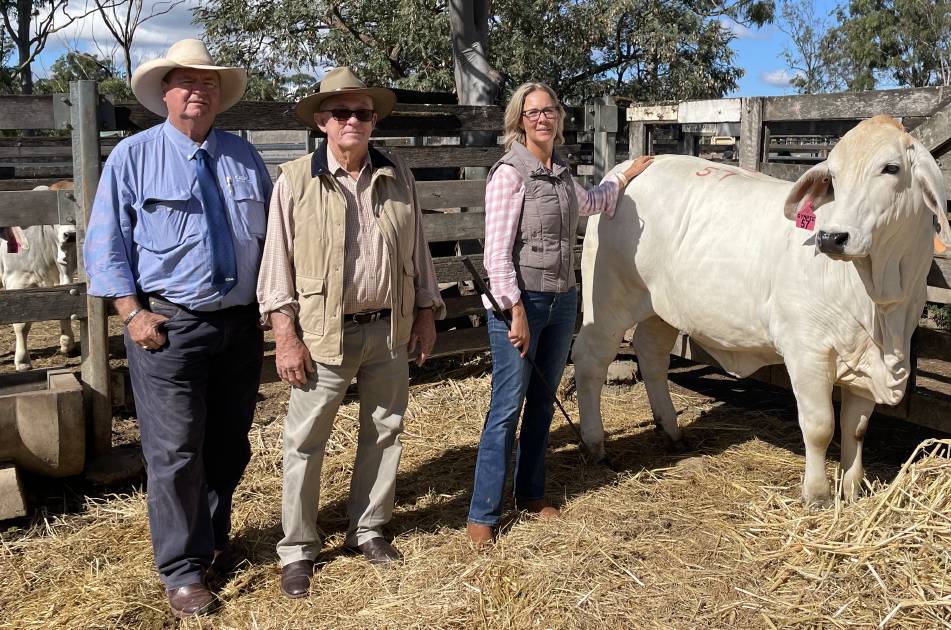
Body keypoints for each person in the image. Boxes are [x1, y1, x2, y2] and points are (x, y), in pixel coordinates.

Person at [82, 39, 271, 618]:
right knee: (174, 452)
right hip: (170, 325)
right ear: (164, 92)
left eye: (209, 82)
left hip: (239, 325)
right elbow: (106, 244)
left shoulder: (244, 156)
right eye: (186, 81)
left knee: (228, 445)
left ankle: (213, 543)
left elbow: (276, 238)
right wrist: (132, 314)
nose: (199, 91)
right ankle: (181, 570)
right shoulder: (133, 157)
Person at [257, 67, 445, 598]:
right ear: (322, 122)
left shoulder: (396, 174)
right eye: (341, 112)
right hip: (321, 334)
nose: (353, 121)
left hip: (389, 328)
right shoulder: (295, 180)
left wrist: (427, 311)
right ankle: (298, 549)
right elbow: (277, 266)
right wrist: (284, 335)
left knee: (385, 430)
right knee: (305, 441)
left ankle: (368, 529)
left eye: (363, 113)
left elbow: (418, 252)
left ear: (374, 122)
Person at [466, 82, 652, 545]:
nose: (543, 119)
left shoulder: (562, 174)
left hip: (563, 298)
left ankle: (530, 492)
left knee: (544, 401)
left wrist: (623, 179)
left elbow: (592, 203)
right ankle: (482, 514)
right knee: (507, 407)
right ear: (520, 121)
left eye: (549, 111)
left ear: (558, 119)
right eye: (533, 113)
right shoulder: (509, 174)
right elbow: (495, 256)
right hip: (523, 302)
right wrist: (515, 312)